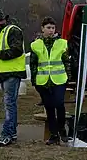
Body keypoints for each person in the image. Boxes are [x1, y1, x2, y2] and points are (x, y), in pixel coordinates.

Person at [0, 7, 25, 147]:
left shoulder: (13, 30)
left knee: (9, 104)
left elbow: (17, 50)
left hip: (12, 73)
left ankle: (7, 134)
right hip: (3, 73)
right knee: (9, 104)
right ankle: (11, 132)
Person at [30, 17, 69, 145]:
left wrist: (68, 77)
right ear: (42, 29)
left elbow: (67, 61)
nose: (51, 30)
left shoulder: (62, 43)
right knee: (49, 108)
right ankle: (53, 135)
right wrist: (34, 81)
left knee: (59, 104)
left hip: (59, 79)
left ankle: (62, 128)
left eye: (53, 28)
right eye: (48, 28)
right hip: (43, 81)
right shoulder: (35, 45)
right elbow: (33, 64)